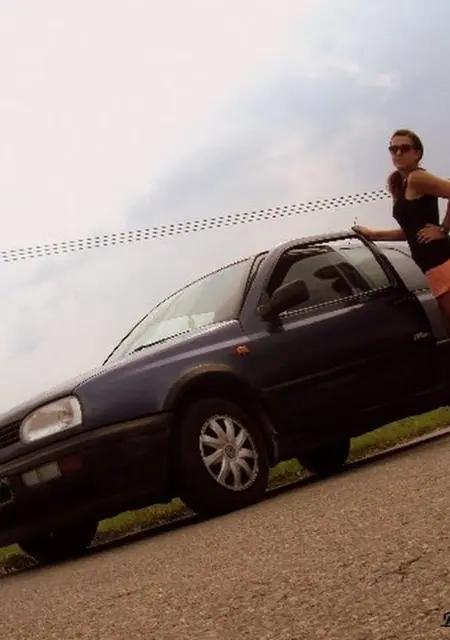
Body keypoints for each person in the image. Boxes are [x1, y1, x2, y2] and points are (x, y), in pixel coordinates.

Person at [353, 128, 450, 324]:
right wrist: (372, 234)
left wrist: (443, 229)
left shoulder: (417, 178)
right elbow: (410, 233)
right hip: (433, 269)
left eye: (405, 148)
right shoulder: (404, 184)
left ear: (417, 153)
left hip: (443, 263)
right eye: (393, 149)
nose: (398, 153)